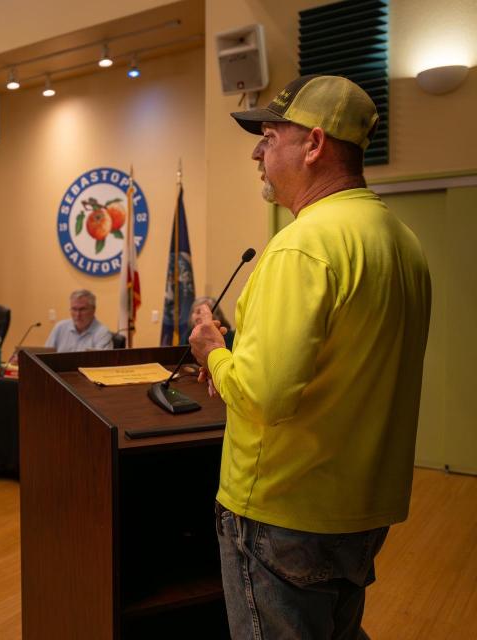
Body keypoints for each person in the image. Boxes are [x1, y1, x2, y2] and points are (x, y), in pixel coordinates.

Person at [189, 75, 431, 640]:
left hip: (284, 508)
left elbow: (264, 395)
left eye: (269, 136)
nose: (256, 151)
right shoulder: (403, 242)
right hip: (363, 507)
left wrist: (215, 352)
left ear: (315, 145)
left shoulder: (303, 244)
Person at [44, 289, 113, 352]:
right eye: (74, 309)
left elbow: (102, 363)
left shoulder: (102, 333)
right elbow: (45, 356)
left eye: (82, 309)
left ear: (93, 310)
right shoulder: (60, 327)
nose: (77, 314)